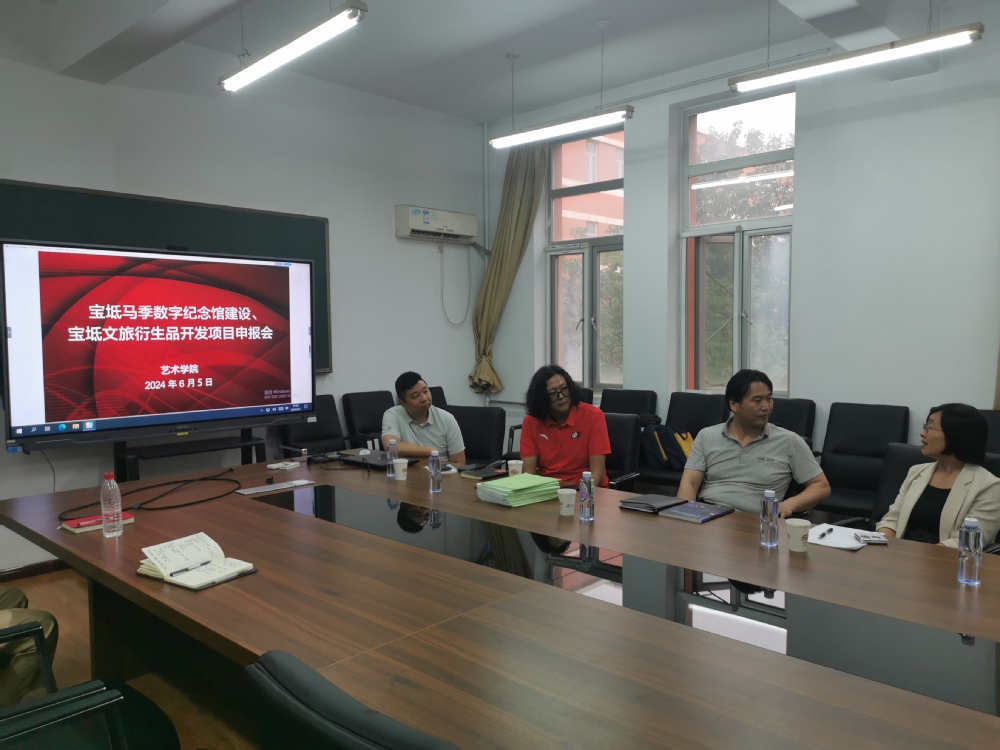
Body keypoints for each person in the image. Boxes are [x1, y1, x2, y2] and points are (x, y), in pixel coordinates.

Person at [677, 369, 830, 516]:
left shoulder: (789, 441)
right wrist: (686, 516)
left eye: (769, 399)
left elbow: (821, 486)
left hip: (757, 521)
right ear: (733, 404)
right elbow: (689, 483)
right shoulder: (706, 436)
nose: (766, 407)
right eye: (757, 401)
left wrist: (790, 504)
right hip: (709, 515)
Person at [877, 404, 1000, 546]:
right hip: (901, 553)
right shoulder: (916, 472)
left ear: (955, 435)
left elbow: (967, 541)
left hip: (945, 558)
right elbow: (892, 520)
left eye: (930, 427)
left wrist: (914, 557)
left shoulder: (990, 487)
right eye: (925, 426)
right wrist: (882, 546)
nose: (923, 433)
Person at [520, 365, 610, 487]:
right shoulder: (531, 421)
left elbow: (597, 475)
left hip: (586, 491)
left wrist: (581, 495)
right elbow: (529, 475)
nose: (561, 396)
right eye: (553, 393)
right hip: (548, 490)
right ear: (541, 398)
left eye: (564, 389)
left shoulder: (593, 416)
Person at [381, 372, 466, 465]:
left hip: (440, 471)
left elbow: (459, 463)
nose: (424, 398)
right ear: (402, 403)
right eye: (415, 396)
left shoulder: (446, 419)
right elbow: (391, 447)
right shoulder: (393, 415)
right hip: (408, 472)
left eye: (425, 391)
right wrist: (430, 451)